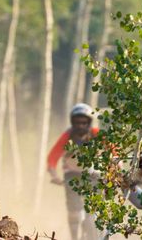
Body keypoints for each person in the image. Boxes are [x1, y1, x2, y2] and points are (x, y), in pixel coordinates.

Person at [46, 102, 101, 240]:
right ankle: (74, 237)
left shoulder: (96, 134)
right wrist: (54, 175)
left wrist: (115, 167)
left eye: (84, 122)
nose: (80, 126)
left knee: (94, 211)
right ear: (72, 122)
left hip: (94, 175)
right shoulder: (67, 136)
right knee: (74, 211)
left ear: (89, 122)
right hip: (72, 176)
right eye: (77, 122)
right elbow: (52, 157)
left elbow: (114, 150)